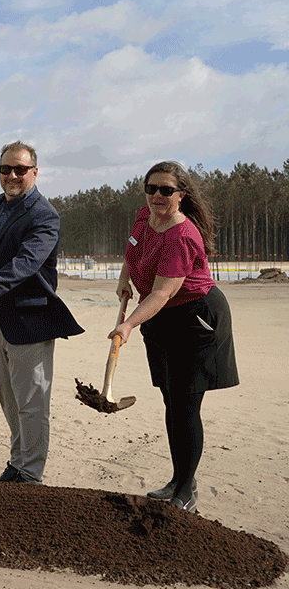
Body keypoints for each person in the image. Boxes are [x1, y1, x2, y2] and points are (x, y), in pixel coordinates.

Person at [110, 161, 238, 513]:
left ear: (181, 195)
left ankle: (185, 492)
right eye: (151, 189)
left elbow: (162, 294)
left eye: (166, 190)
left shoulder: (182, 235)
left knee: (185, 405)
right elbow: (132, 250)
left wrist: (128, 324)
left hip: (195, 319)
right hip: (162, 319)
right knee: (171, 400)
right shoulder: (144, 216)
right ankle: (180, 479)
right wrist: (125, 279)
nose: (157, 196)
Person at [0, 141, 84, 484]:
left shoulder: (45, 215)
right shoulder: (1, 203)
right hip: (1, 318)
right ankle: (17, 463)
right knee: (9, 399)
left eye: (20, 170)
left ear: (34, 172)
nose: (12, 175)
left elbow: (24, 265)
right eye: (5, 169)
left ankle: (31, 473)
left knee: (32, 403)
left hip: (31, 320)